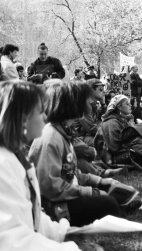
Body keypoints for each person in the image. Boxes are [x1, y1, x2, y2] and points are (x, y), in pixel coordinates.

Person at [29, 81, 142, 227]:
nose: (86, 103)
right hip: (56, 206)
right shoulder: (51, 138)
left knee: (117, 192)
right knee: (108, 203)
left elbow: (71, 173)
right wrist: (90, 192)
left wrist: (99, 182)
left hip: (67, 193)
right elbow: (50, 187)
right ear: (70, 105)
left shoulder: (63, 131)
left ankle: (117, 205)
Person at [0, 80, 81, 250]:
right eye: (40, 111)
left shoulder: (15, 157)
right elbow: (11, 239)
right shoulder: (3, 165)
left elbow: (31, 213)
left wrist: (62, 232)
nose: (45, 116)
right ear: (23, 119)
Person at [101, 95, 142, 166]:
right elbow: (115, 147)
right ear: (119, 107)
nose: (130, 105)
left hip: (128, 152)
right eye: (127, 104)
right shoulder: (112, 122)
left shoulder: (121, 119)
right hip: (120, 156)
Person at [77, 78, 107, 146]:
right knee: (107, 143)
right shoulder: (84, 102)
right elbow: (91, 128)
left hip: (87, 135)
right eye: (100, 89)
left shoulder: (94, 102)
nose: (104, 92)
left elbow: (102, 118)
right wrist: (108, 134)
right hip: (79, 137)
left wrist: (103, 105)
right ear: (91, 90)